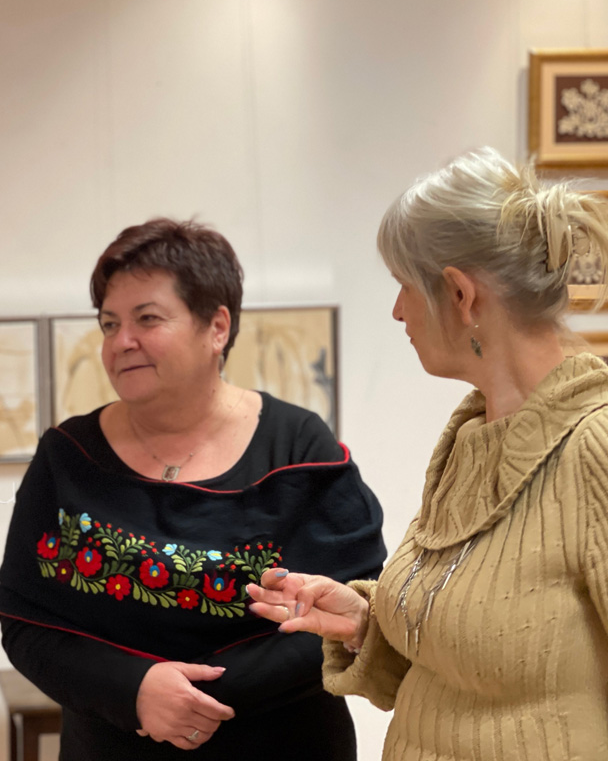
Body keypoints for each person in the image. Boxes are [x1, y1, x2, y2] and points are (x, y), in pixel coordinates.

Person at [247, 148, 608, 760]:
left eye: (405, 286)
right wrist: (366, 625)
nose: (397, 311)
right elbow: (463, 658)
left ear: (461, 295)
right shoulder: (470, 440)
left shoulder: (594, 447)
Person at [0, 218, 386, 759]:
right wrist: (134, 692)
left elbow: (350, 606)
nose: (121, 342)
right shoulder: (68, 455)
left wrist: (191, 700)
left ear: (217, 327)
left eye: (147, 318)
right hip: (113, 743)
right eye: (109, 324)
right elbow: (26, 621)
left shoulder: (299, 447)